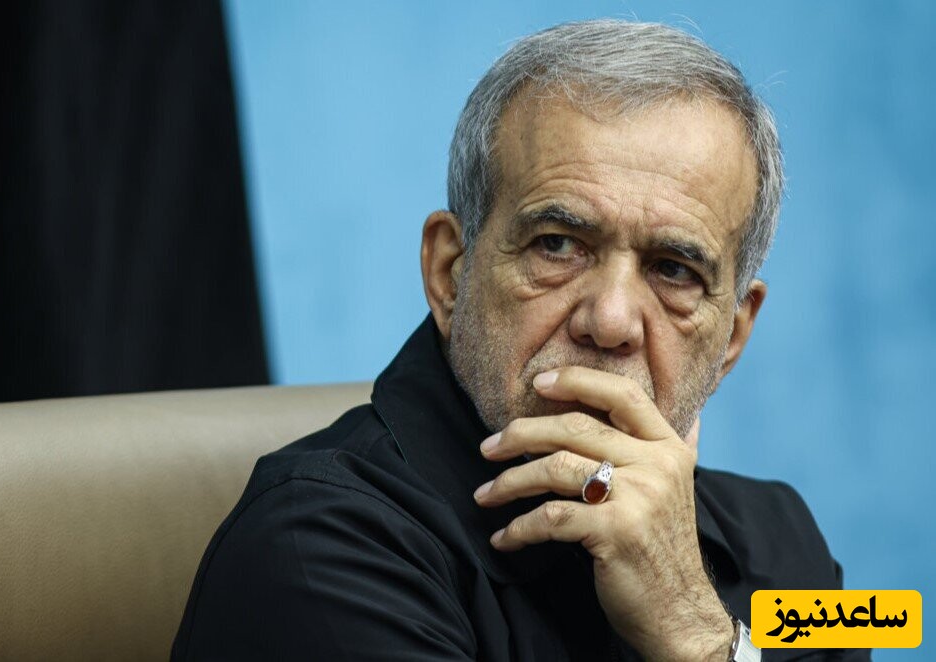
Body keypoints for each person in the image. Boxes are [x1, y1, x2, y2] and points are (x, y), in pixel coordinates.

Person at [173, 19, 867, 661]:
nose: (610, 322)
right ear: (449, 272)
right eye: (557, 244)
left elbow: (890, 622)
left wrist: (696, 627)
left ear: (733, 336)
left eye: (673, 271)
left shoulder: (793, 541)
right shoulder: (308, 549)